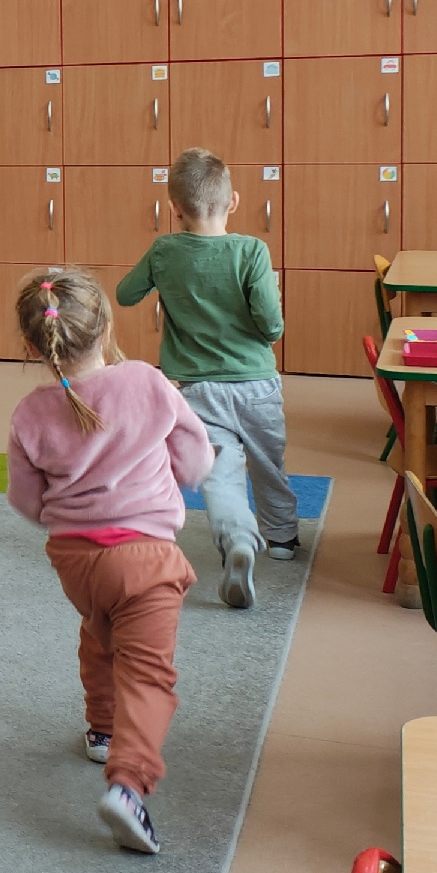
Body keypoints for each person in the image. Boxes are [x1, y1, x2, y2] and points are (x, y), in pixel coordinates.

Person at [6, 270, 213, 857]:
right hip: (147, 557)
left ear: (34, 346)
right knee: (147, 674)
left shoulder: (30, 412)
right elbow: (195, 463)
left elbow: (26, 501)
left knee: (101, 634)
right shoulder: (146, 381)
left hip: (75, 560)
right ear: (105, 328)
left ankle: (102, 729)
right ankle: (128, 785)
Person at [116, 148, 291, 609]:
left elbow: (125, 294)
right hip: (255, 385)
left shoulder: (164, 250)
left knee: (219, 473)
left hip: (195, 391)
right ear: (233, 201)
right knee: (268, 462)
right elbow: (272, 325)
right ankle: (283, 538)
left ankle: (237, 540)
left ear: (175, 208)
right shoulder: (251, 251)